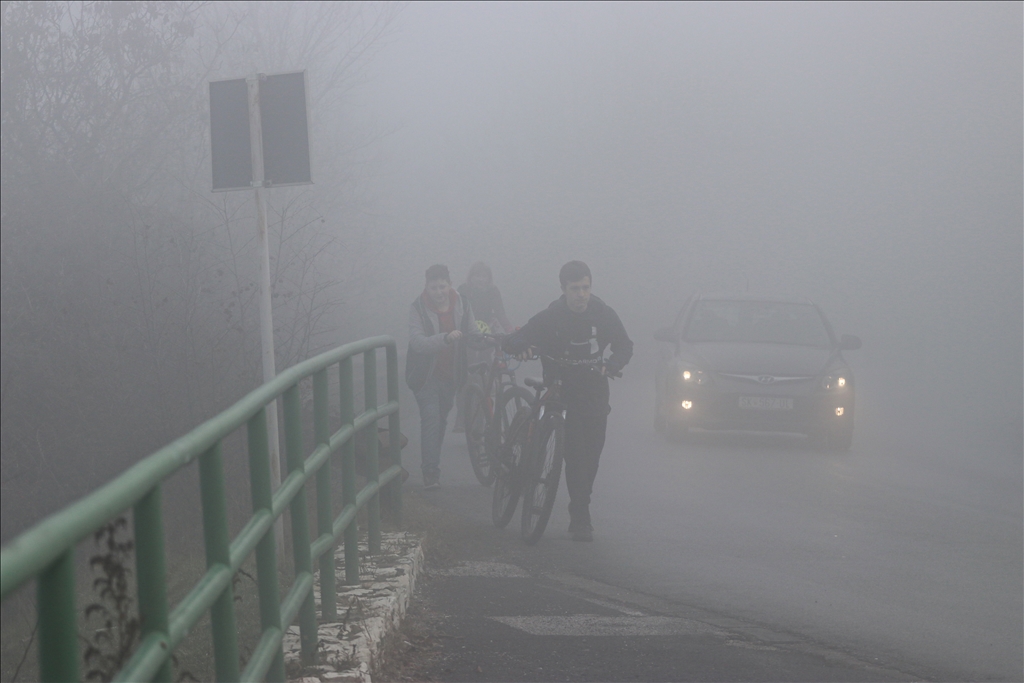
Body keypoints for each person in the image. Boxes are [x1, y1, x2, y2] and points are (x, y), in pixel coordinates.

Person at [502, 260, 632, 541]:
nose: (581, 295)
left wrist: (612, 363)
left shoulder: (603, 313)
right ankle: (580, 515)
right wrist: (520, 348)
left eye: (585, 288)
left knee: (592, 457)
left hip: (596, 394)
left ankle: (581, 503)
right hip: (562, 394)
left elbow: (625, 345)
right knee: (575, 456)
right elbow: (513, 340)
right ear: (564, 289)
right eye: (575, 289)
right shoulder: (552, 316)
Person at [406, 264, 476, 489]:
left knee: (442, 420)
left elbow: (472, 332)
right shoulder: (417, 308)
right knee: (431, 420)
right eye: (434, 287)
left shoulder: (463, 303)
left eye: (442, 287)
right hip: (425, 377)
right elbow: (417, 343)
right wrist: (444, 339)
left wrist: (492, 338)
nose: (439, 292)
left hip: (451, 375)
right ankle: (430, 472)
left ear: (449, 285)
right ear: (426, 287)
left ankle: (431, 462)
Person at [454, 262, 514, 433]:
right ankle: (462, 416)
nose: (481, 279)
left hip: (487, 338)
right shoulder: (463, 290)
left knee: (485, 377)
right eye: (477, 275)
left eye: (484, 275)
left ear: (489, 278)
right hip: (467, 339)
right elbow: (458, 313)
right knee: (466, 378)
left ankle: (482, 417)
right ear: (471, 277)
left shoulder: (493, 292)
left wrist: (510, 332)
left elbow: (501, 313)